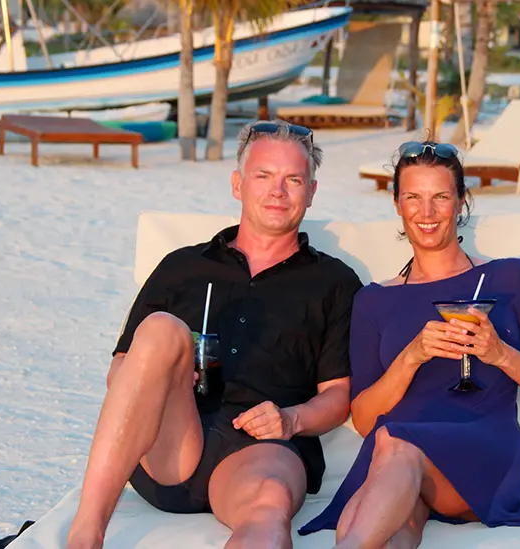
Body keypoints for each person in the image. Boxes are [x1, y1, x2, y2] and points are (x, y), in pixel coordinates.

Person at [65, 120, 362, 549]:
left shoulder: (335, 282)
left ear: (311, 192)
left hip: (261, 449)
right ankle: (85, 535)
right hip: (171, 440)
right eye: (263, 176)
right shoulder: (182, 267)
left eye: (293, 179)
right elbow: (121, 372)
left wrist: (291, 418)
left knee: (271, 501)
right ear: (238, 185)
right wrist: (165, 376)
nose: (277, 191)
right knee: (162, 329)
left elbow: (337, 395)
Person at [298, 141, 520, 549]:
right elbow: (363, 419)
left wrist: (500, 353)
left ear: (461, 201)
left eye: (440, 197)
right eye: (413, 197)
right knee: (395, 526)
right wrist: (411, 356)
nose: (426, 213)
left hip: (481, 452)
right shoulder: (374, 300)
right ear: (397, 203)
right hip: (398, 466)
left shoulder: (509, 279)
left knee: (396, 444)